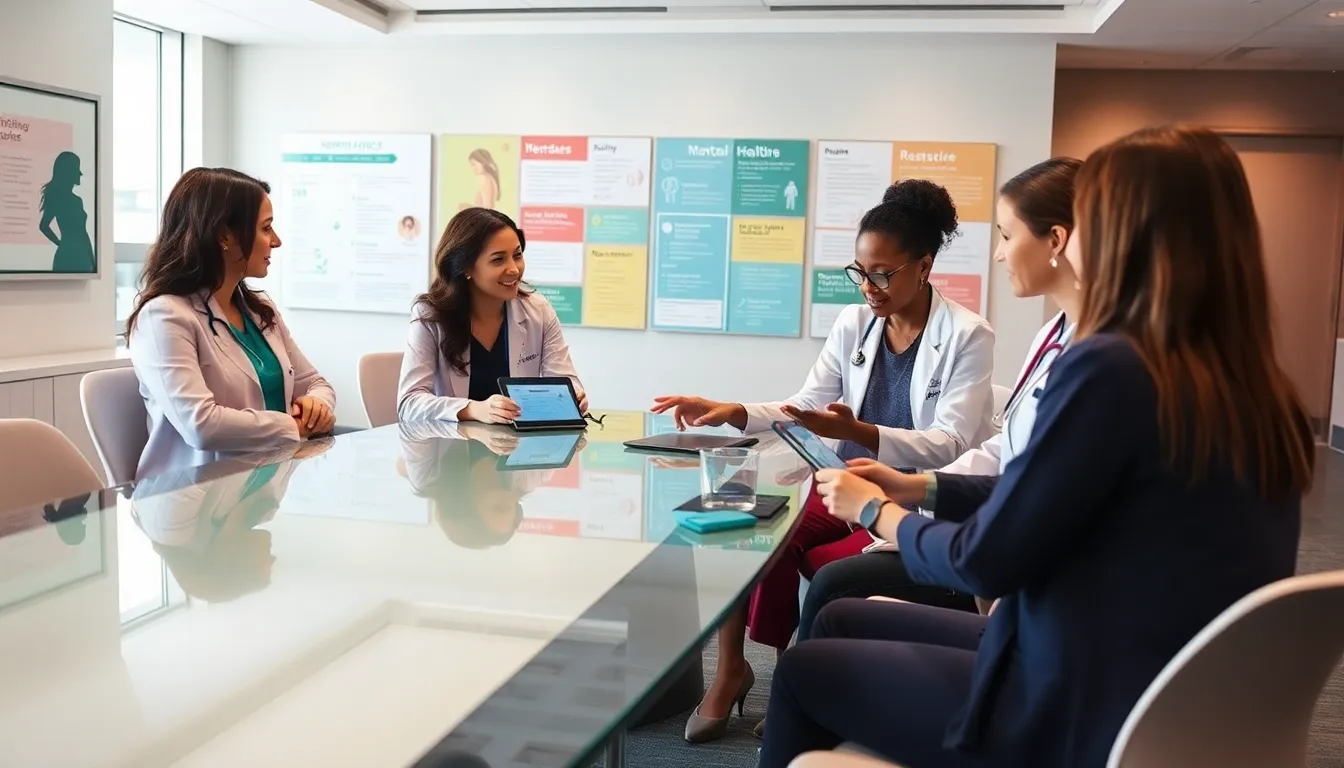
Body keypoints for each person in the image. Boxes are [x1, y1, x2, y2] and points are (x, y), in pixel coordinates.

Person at [761, 125, 1314, 768]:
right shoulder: (1252, 384)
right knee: (837, 618)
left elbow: (987, 561)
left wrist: (876, 511)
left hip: (1069, 703)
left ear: (1122, 230)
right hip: (1156, 690)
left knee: (802, 671)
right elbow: (1057, 495)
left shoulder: (1111, 366)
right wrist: (919, 485)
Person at [653, 179, 996, 743]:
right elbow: (807, 406)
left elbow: (951, 442)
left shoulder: (967, 335)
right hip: (841, 483)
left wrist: (858, 431)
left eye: (883, 273)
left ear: (924, 266)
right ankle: (733, 669)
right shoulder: (853, 322)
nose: (869, 287)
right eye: (860, 272)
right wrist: (732, 409)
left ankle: (801, 684)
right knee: (743, 523)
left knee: (827, 567)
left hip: (908, 499)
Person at [796, 158, 1084, 640]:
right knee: (774, 534)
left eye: (1007, 236)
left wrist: (889, 504)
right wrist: (910, 488)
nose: (997, 253)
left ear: (1055, 241)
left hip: (1019, 580)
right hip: (980, 529)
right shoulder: (1052, 336)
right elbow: (1005, 456)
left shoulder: (1089, 359)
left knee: (834, 591)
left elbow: (1016, 480)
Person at [127, 168, 336, 482]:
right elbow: (202, 426)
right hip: (191, 502)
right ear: (224, 236)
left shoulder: (260, 311)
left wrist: (317, 405)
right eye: (266, 229)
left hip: (264, 486)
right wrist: (293, 426)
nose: (276, 242)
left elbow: (317, 384)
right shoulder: (164, 317)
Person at [398, 207, 586, 425]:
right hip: (451, 449)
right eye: (498, 260)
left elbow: (564, 379)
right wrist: (474, 409)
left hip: (517, 449)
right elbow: (409, 403)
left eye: (517, 255)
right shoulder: (430, 316)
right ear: (466, 267)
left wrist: (574, 394)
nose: (514, 269)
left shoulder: (538, 311)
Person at [38, 151, 95, 273]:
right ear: (69, 172)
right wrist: (60, 243)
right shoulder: (59, 198)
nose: (80, 173)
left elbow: (83, 234)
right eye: (77, 169)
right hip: (70, 257)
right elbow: (43, 226)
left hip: (80, 256)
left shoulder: (77, 200)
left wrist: (92, 260)